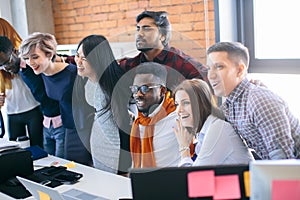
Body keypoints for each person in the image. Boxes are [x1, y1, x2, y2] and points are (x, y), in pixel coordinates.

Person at [206, 41, 300, 159]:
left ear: (240, 70)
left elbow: (283, 158)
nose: (211, 75)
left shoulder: (259, 100)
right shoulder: (229, 107)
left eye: (219, 67)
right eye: (209, 68)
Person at [19, 32, 92, 165]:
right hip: (68, 128)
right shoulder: (42, 73)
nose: (30, 62)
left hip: (82, 131)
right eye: (27, 58)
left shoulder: (72, 75)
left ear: (50, 54)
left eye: (35, 57)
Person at [74, 35, 131, 174]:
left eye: (84, 58)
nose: (78, 61)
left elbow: (125, 126)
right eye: (77, 56)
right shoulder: (85, 80)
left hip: (115, 145)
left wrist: (125, 165)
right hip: (98, 139)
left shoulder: (115, 84)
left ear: (97, 59)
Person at [173, 79, 254, 166]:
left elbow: (194, 176)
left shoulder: (218, 128)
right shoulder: (205, 131)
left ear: (201, 104)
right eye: (177, 104)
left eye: (186, 103)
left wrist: (184, 148)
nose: (179, 111)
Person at [119, 10, 208, 90]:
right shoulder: (131, 65)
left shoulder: (181, 63)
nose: (139, 34)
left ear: (162, 36)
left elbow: (207, 83)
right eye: (138, 29)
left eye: (147, 29)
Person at [130, 62, 181, 168]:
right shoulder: (138, 120)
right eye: (135, 89)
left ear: (162, 91)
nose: (138, 94)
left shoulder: (178, 119)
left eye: (145, 89)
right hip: (141, 181)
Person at [0, 36, 44, 147]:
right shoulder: (3, 72)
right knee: (16, 150)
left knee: (38, 147)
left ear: (15, 51)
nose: (6, 67)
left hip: (33, 110)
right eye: (1, 65)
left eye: (7, 61)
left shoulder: (28, 65)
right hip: (12, 114)